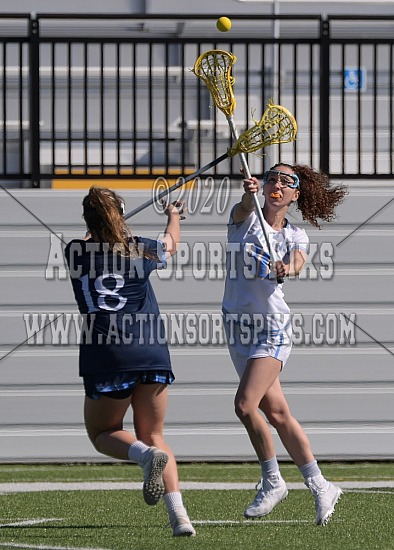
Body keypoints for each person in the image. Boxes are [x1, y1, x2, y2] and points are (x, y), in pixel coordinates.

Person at [64, 186, 195, 537]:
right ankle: (179, 516)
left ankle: (141, 457)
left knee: (102, 432)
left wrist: (108, 220)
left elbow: (91, 238)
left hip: (107, 352)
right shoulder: (140, 248)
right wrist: (173, 216)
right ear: (119, 215)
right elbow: (170, 243)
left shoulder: (75, 251)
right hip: (151, 349)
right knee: (154, 435)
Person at [222, 163, 347, 526]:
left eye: (286, 181)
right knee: (276, 414)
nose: (277, 184)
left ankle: (273, 480)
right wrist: (247, 197)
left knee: (245, 406)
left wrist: (285, 269)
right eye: (271, 178)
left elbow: (296, 262)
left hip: (270, 328)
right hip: (236, 325)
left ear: (295, 195)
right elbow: (243, 209)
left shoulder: (295, 236)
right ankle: (320, 484)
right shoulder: (244, 219)